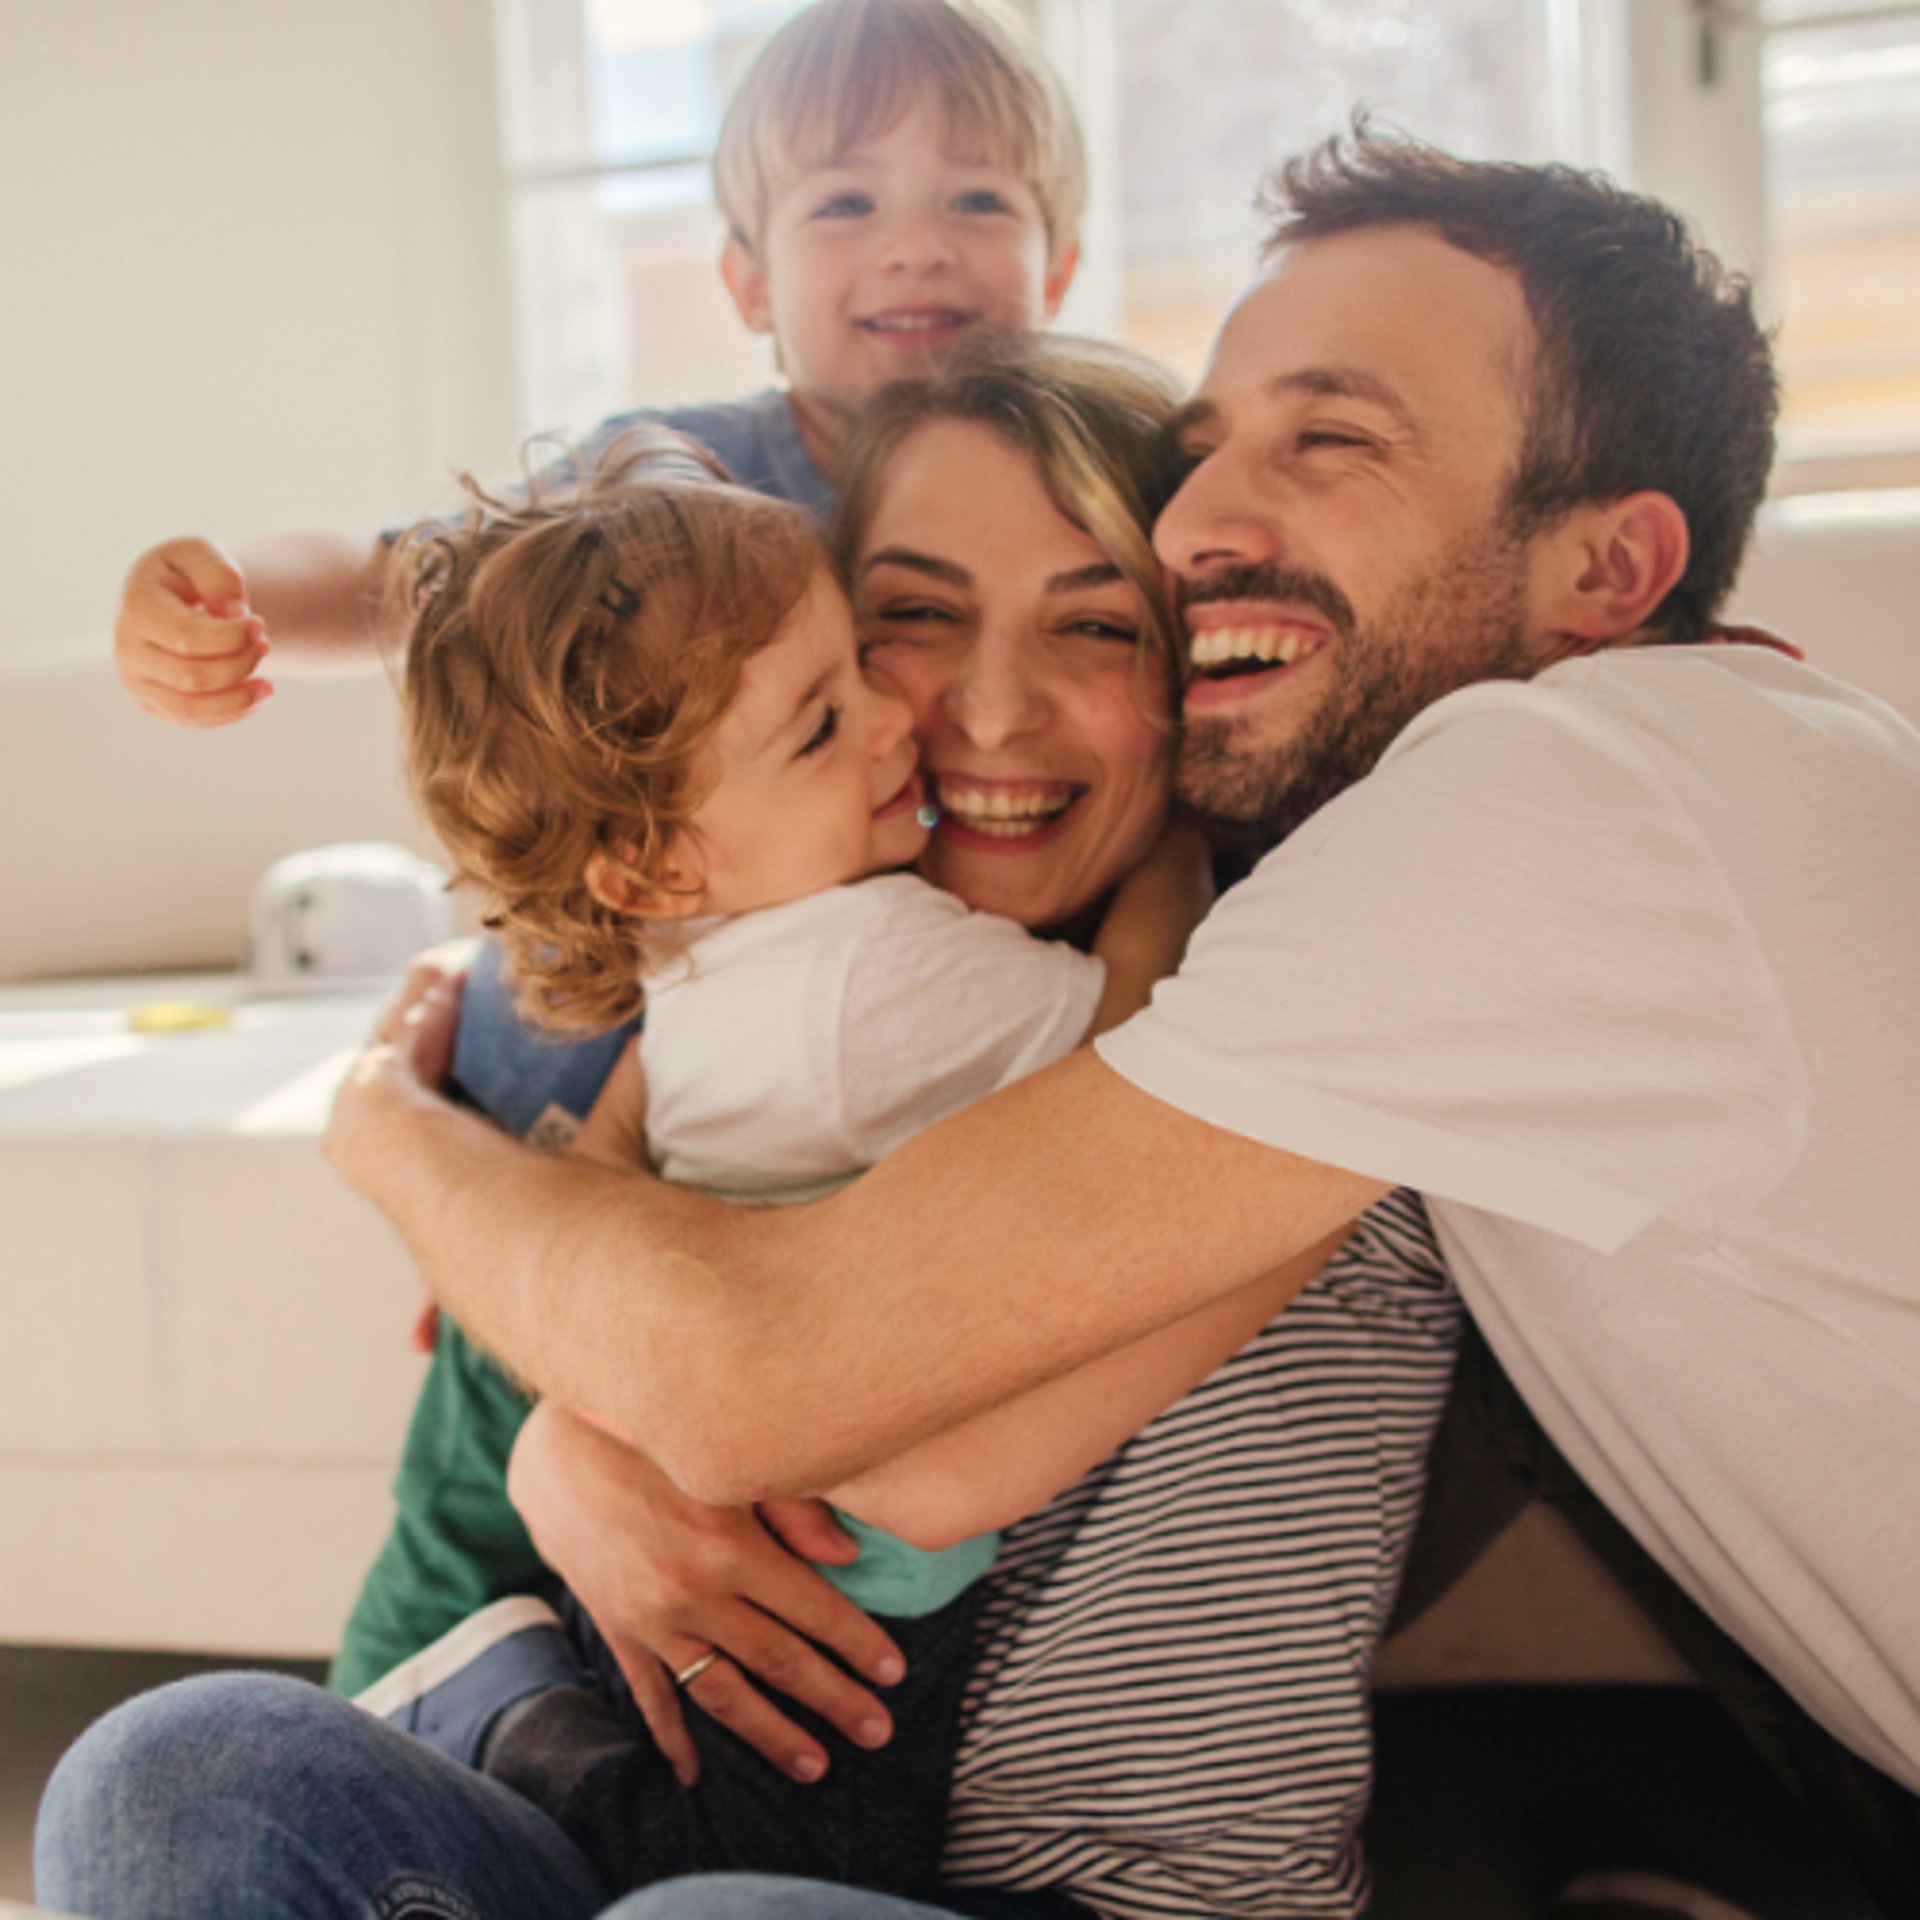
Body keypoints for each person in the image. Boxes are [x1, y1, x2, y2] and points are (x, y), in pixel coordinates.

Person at [299, 126, 1919, 1917]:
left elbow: (800, 1405)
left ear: (1609, 574)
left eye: (1331, 438)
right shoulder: (1613, 808)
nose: (1202, 523)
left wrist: (384, 1127)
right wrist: (563, 1423)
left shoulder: (1542, 807)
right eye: (1213, 446)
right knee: (197, 1771)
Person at [38, 339, 1461, 1920]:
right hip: (683, 1820)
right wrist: (550, 1429)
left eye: (1100, 624)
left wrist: (407, 1156)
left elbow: (844, 1423)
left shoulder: (1292, 1019)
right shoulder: (764, 987)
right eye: (908, 620)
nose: (979, 710)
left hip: (1085, 1898)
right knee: (169, 1771)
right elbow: (602, 1258)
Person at [106, 0, 1093, 1698]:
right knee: (451, 1563)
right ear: (742, 279)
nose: (916, 243)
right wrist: (236, 601)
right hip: (548, 1140)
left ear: (1063, 262)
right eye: (844, 202)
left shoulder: (1070, 484)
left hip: (786, 1186)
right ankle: (360, 1758)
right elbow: (420, 576)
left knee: (665, 1609)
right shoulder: (671, 481)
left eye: (981, 202)